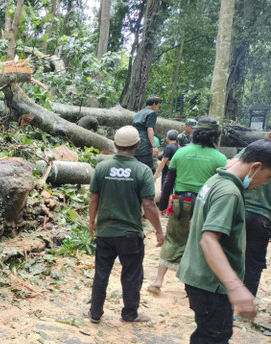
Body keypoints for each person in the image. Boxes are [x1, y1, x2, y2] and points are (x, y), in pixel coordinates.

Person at [160, 139, 271, 344]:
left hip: (200, 273)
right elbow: (210, 238)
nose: (263, 184)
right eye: (267, 177)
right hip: (210, 280)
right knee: (211, 338)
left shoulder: (216, 179)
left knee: (219, 332)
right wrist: (236, 286)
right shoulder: (230, 192)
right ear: (256, 167)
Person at [88, 126, 164, 324]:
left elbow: (94, 199)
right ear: (138, 145)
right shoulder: (142, 170)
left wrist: (91, 222)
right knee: (131, 275)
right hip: (130, 234)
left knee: (101, 272)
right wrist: (158, 230)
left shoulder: (102, 168)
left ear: (115, 145)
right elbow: (148, 205)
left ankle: (95, 313)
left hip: (105, 232)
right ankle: (129, 314)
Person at [148, 118, 227, 293]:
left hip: (180, 203)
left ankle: (158, 281)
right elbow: (222, 187)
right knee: (201, 242)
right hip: (205, 205)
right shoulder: (220, 158)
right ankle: (192, 286)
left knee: (173, 240)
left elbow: (169, 181)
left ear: (196, 133)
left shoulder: (181, 153)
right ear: (215, 136)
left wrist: (162, 205)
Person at [240, 132, 271, 296]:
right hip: (263, 218)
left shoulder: (251, 151)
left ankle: (225, 295)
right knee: (254, 262)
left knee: (230, 252)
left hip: (239, 210)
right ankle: (247, 298)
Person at [132, 96, 162, 172]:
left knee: (136, 167)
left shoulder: (139, 113)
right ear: (154, 104)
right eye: (158, 105)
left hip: (134, 142)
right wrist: (154, 146)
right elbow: (150, 129)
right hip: (144, 144)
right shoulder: (152, 113)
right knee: (148, 169)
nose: (158, 107)